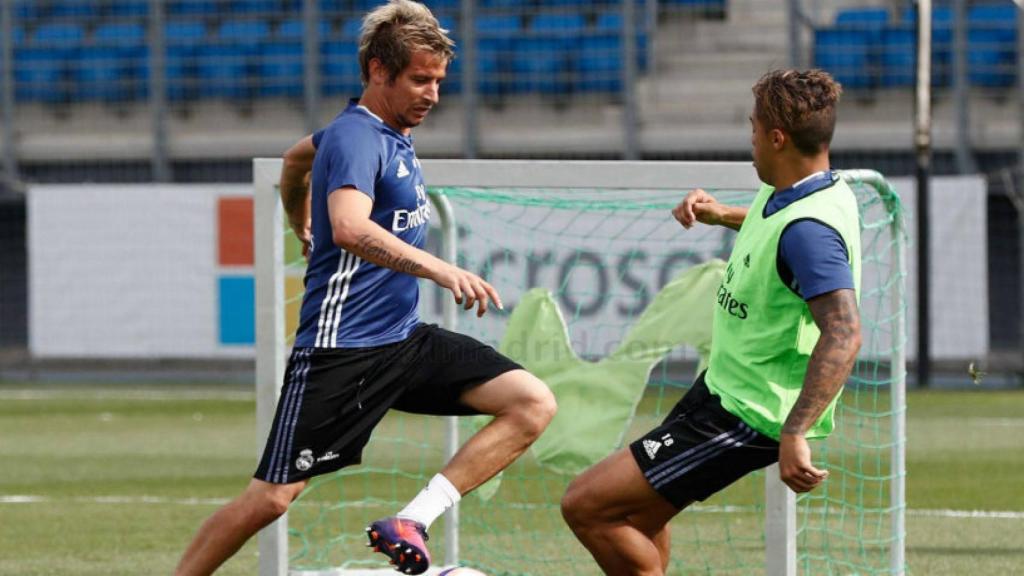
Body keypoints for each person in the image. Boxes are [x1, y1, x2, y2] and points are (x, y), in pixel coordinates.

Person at [174, 2, 556, 574]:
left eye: (438, 81)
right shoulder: (357, 136)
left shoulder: (379, 131)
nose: (432, 95)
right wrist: (438, 268)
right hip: (341, 351)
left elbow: (295, 158)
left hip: (402, 342)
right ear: (379, 71)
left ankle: (412, 520)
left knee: (531, 403)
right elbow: (351, 228)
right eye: (419, 80)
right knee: (272, 498)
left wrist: (297, 218)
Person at [560, 69, 862, 576]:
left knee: (586, 505)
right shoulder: (801, 188)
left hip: (748, 414)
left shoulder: (810, 232)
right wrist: (721, 214)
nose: (750, 140)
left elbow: (845, 331)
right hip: (722, 387)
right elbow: (774, 225)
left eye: (753, 129)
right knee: (640, 515)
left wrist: (795, 432)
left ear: (777, 138)